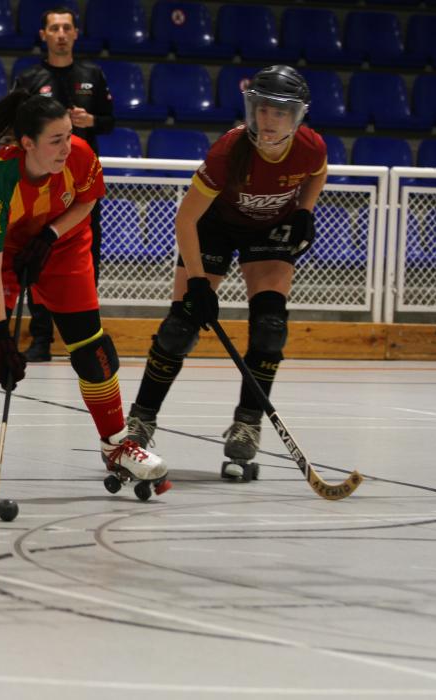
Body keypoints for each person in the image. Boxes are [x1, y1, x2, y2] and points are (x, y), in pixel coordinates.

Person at [0, 89, 165, 491]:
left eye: (69, 135)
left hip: (63, 245)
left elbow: (86, 202)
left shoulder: (81, 156)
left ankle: (117, 446)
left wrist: (50, 235)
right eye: (56, 140)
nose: (67, 147)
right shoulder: (0, 178)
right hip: (4, 253)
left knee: (92, 350)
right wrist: (1, 335)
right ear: (28, 143)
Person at [125, 65, 327, 466]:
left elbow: (317, 174)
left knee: (270, 328)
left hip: (267, 231)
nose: (268, 120)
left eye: (279, 112)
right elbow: (186, 220)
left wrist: (305, 210)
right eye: (262, 109)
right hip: (214, 226)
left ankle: (247, 423)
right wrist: (198, 284)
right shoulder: (228, 152)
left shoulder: (310, 146)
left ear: (297, 117)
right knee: (179, 328)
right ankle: (141, 419)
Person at [13, 6, 114, 363]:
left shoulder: (92, 75)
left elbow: (110, 121)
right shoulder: (29, 78)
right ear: (43, 35)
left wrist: (91, 120)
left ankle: (83, 337)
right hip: (41, 182)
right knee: (37, 254)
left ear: (75, 34)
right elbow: (16, 126)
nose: (60, 34)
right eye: (54, 28)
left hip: (83, 180)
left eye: (66, 28)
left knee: (87, 256)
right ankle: (41, 338)